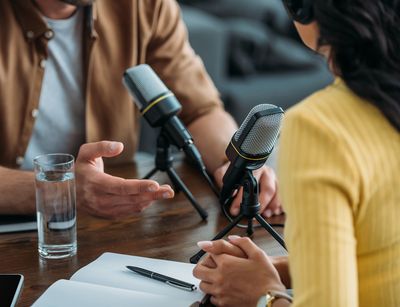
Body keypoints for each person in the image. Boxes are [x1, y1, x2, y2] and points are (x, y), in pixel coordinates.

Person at [193, 0, 400, 306]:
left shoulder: (319, 127)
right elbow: (384, 253)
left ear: (303, 9)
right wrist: (284, 270)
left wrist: (263, 295)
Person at [0, 0, 282, 219]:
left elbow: (200, 109)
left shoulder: (145, 5)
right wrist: (59, 190)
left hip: (105, 224)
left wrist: (232, 165)